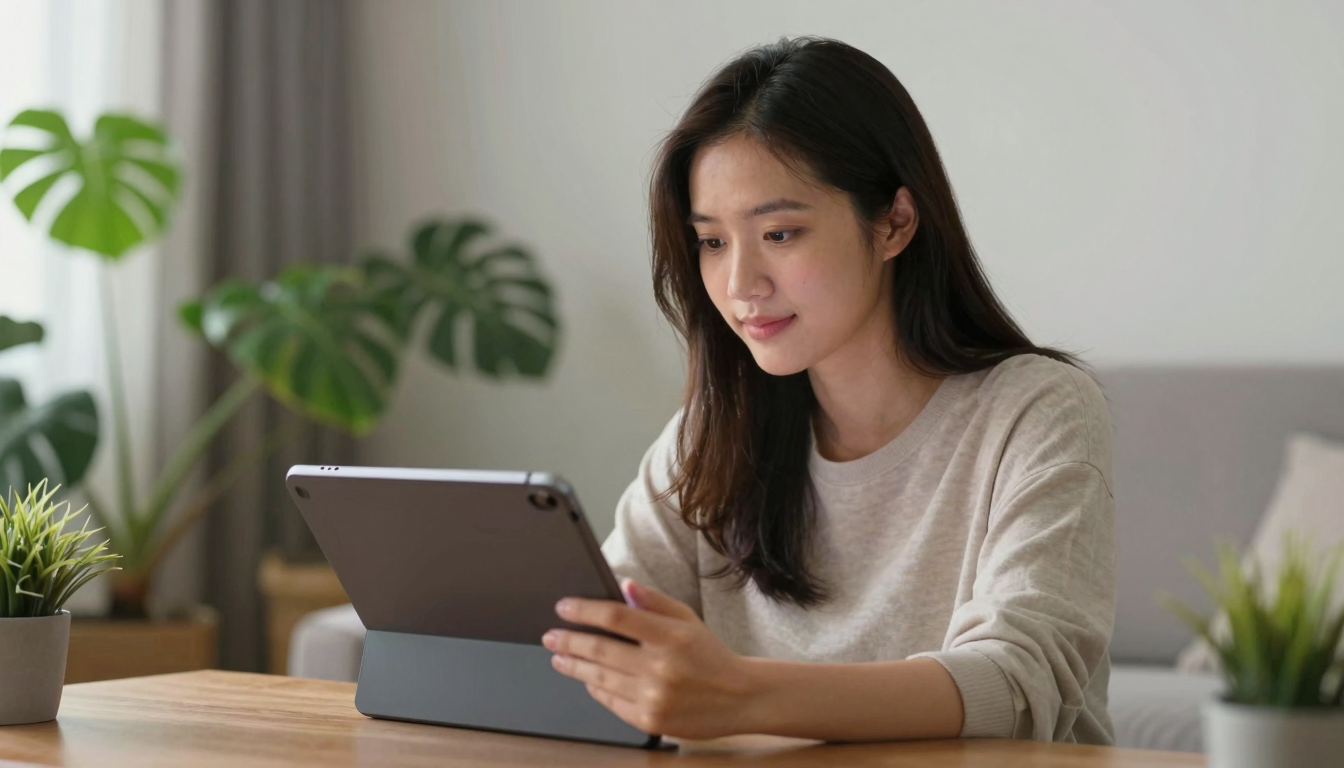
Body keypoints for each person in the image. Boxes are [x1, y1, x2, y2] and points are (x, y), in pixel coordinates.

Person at [541, 36, 1116, 745]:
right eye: (713, 242)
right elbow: (598, 637)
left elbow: (1021, 684)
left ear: (894, 223)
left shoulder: (1035, 411)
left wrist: (741, 694)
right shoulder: (713, 431)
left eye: (780, 233)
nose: (740, 284)